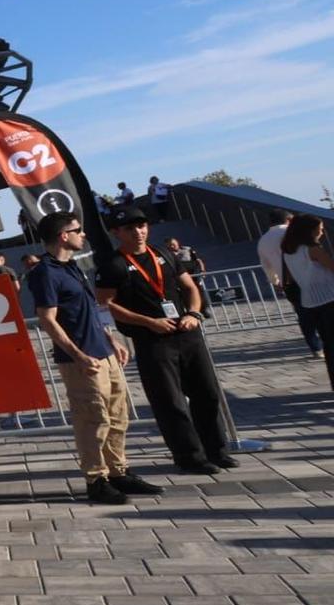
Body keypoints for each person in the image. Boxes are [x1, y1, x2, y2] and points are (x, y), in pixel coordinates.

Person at [26, 213, 160, 506]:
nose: (82, 235)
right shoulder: (45, 272)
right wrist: (78, 354)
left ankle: (118, 471)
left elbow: (92, 309)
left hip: (104, 352)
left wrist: (112, 340)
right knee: (92, 418)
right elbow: (48, 320)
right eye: (77, 230)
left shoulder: (73, 267)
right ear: (63, 236)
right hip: (81, 360)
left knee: (118, 415)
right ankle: (96, 479)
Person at [96, 207, 234, 475]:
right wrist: (148, 322)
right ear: (117, 232)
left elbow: (190, 287)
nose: (139, 232)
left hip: (187, 333)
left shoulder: (163, 254)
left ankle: (217, 450)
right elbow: (105, 304)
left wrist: (194, 312)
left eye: (142, 225)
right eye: (130, 228)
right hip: (153, 341)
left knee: (207, 393)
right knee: (170, 402)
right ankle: (189, 456)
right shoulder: (113, 264)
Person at [280, 214, 334, 393]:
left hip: (310, 302)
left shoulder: (288, 251)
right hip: (329, 297)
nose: (322, 232)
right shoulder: (312, 249)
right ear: (309, 230)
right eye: (319, 228)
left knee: (329, 345)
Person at [260, 212, 325, 358]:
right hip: (311, 278)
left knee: (304, 315)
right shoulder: (294, 233)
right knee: (323, 310)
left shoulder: (263, 241)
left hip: (289, 282)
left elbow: (267, 266)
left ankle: (315, 347)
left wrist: (275, 281)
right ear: (289, 219)